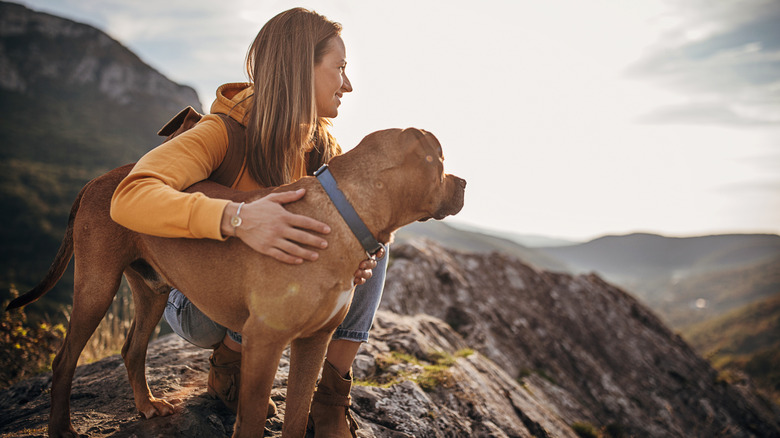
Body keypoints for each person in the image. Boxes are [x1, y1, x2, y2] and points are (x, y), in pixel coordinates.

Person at [110, 7, 385, 437]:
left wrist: (353, 261)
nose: (348, 85)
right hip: (201, 303)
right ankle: (229, 366)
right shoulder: (222, 131)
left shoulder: (322, 148)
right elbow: (129, 195)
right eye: (340, 69)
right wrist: (237, 218)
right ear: (299, 70)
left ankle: (329, 402)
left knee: (372, 244)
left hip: (268, 295)